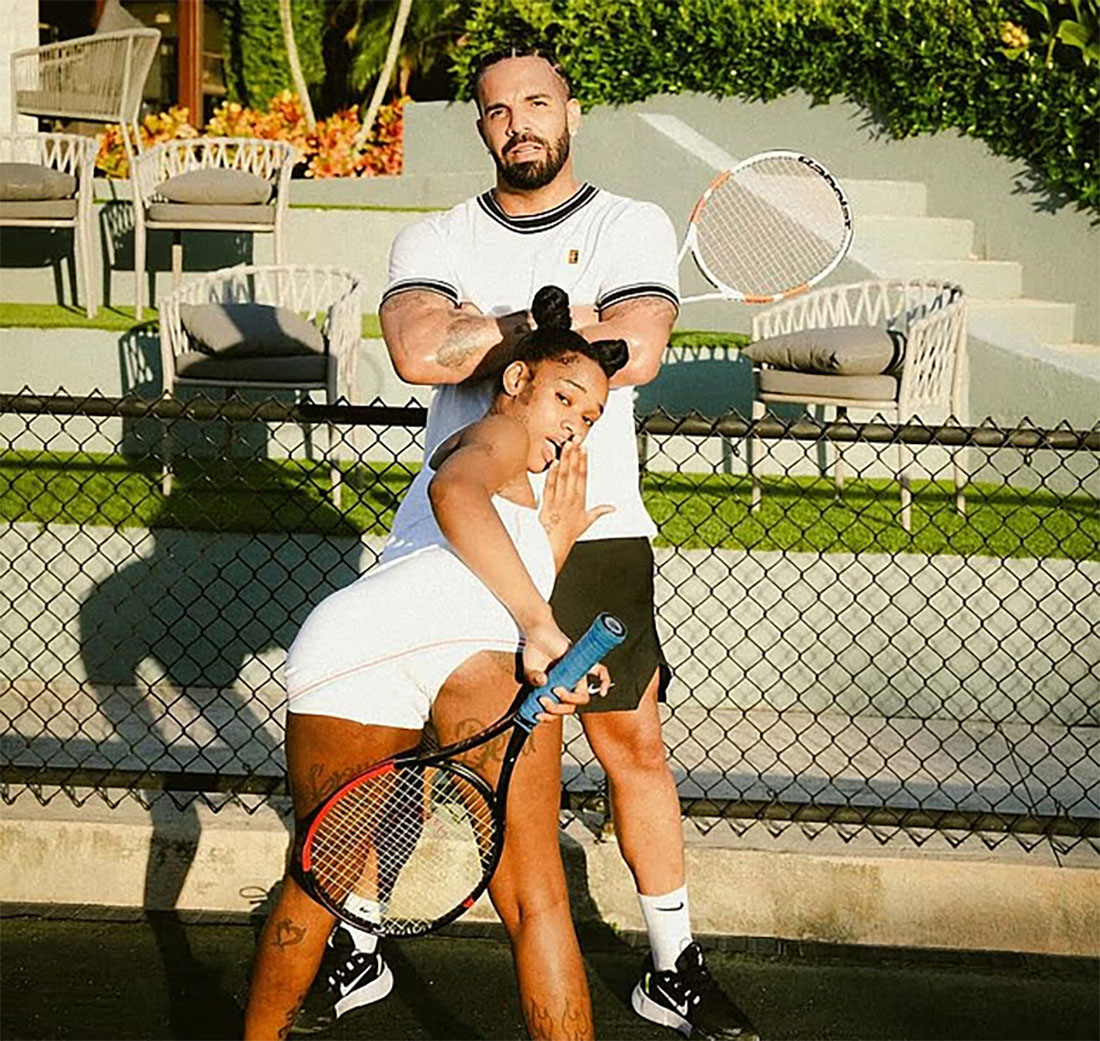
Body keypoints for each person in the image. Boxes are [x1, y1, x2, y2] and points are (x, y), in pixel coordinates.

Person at [301, 41, 759, 1041]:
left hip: (594, 526)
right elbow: (419, 350)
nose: (519, 122)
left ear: (571, 112)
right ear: (480, 125)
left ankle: (673, 969)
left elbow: (635, 349)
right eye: (499, 108)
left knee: (630, 741)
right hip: (459, 530)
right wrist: (547, 323)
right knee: (417, 748)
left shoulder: (628, 223)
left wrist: (492, 331)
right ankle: (360, 944)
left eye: (537, 102)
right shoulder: (434, 234)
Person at [245, 286, 626, 1041]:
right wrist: (542, 625)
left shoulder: (519, 486)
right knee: (538, 900)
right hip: (413, 644)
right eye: (564, 398)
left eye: (590, 418)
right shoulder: (499, 435)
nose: (574, 425)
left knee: (318, 880)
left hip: (363, 645)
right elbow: (457, 492)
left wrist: (551, 550)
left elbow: (471, 580)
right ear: (515, 379)